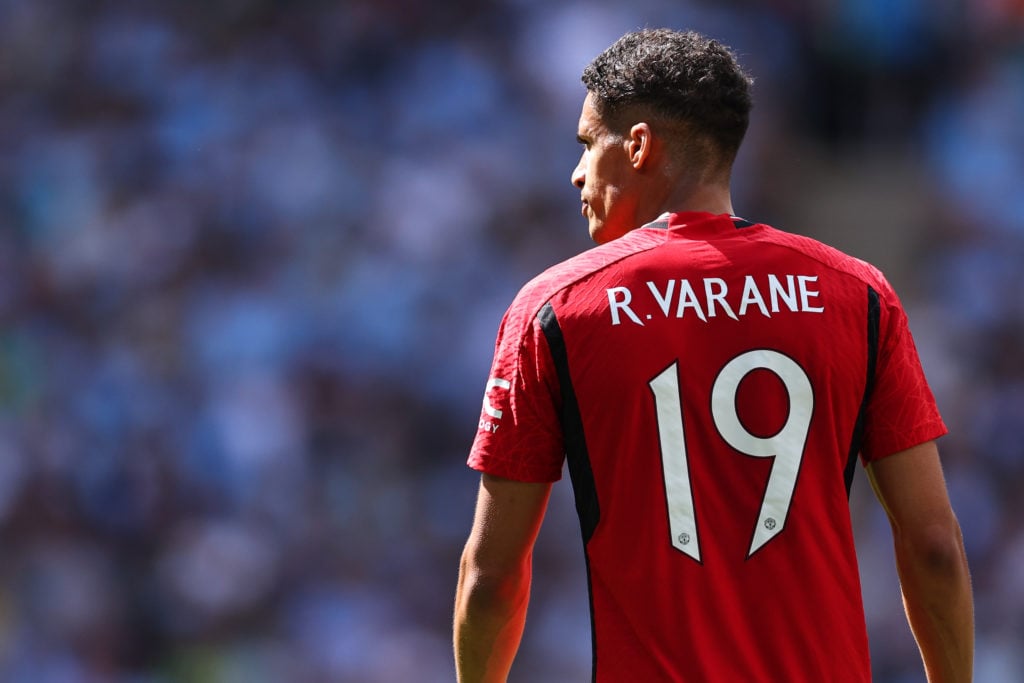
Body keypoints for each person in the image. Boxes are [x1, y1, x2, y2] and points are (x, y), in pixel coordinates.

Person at [453, 28, 974, 682]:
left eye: (588, 144)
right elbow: (933, 547)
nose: (577, 172)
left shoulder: (557, 308)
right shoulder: (857, 295)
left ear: (638, 146)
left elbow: (492, 578)